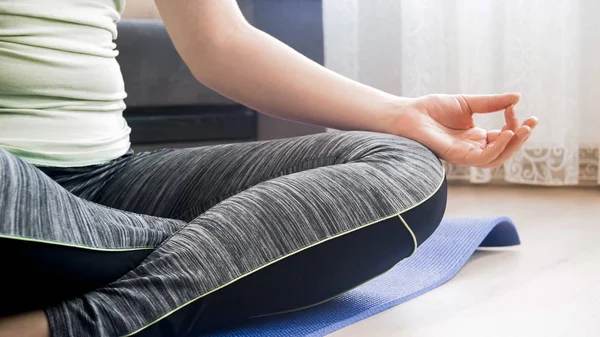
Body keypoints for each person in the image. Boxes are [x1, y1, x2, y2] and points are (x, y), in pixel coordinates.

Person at [0, 1, 538, 336]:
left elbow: (222, 44)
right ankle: (229, 257)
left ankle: (56, 326)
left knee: (405, 169)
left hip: (107, 180)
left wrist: (402, 113)